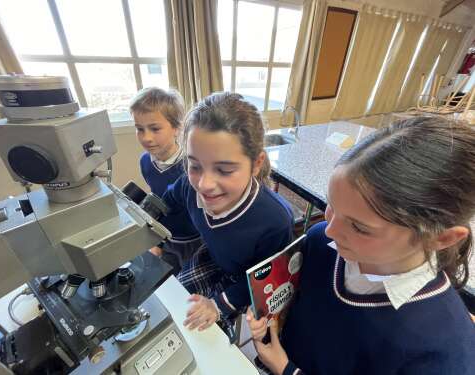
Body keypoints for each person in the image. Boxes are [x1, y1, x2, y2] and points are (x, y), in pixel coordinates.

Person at [247, 117, 475, 375]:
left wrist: (285, 369)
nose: (330, 229)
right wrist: (269, 318)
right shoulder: (322, 243)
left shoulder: (442, 353)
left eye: (359, 227)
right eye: (330, 205)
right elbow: (299, 306)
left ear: (441, 238)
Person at [160, 92, 294, 332]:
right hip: (213, 256)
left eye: (224, 170)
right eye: (195, 166)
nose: (204, 185)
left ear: (256, 164)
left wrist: (218, 305)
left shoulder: (275, 221)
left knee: (207, 334)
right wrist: (154, 238)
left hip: (244, 279)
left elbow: (263, 280)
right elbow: (166, 203)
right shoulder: (187, 186)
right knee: (171, 306)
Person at [130, 87, 201, 274]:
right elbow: (157, 199)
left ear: (177, 128)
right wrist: (156, 241)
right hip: (168, 239)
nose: (147, 138)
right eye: (140, 129)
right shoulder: (145, 161)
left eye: (155, 129)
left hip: (196, 241)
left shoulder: (192, 167)